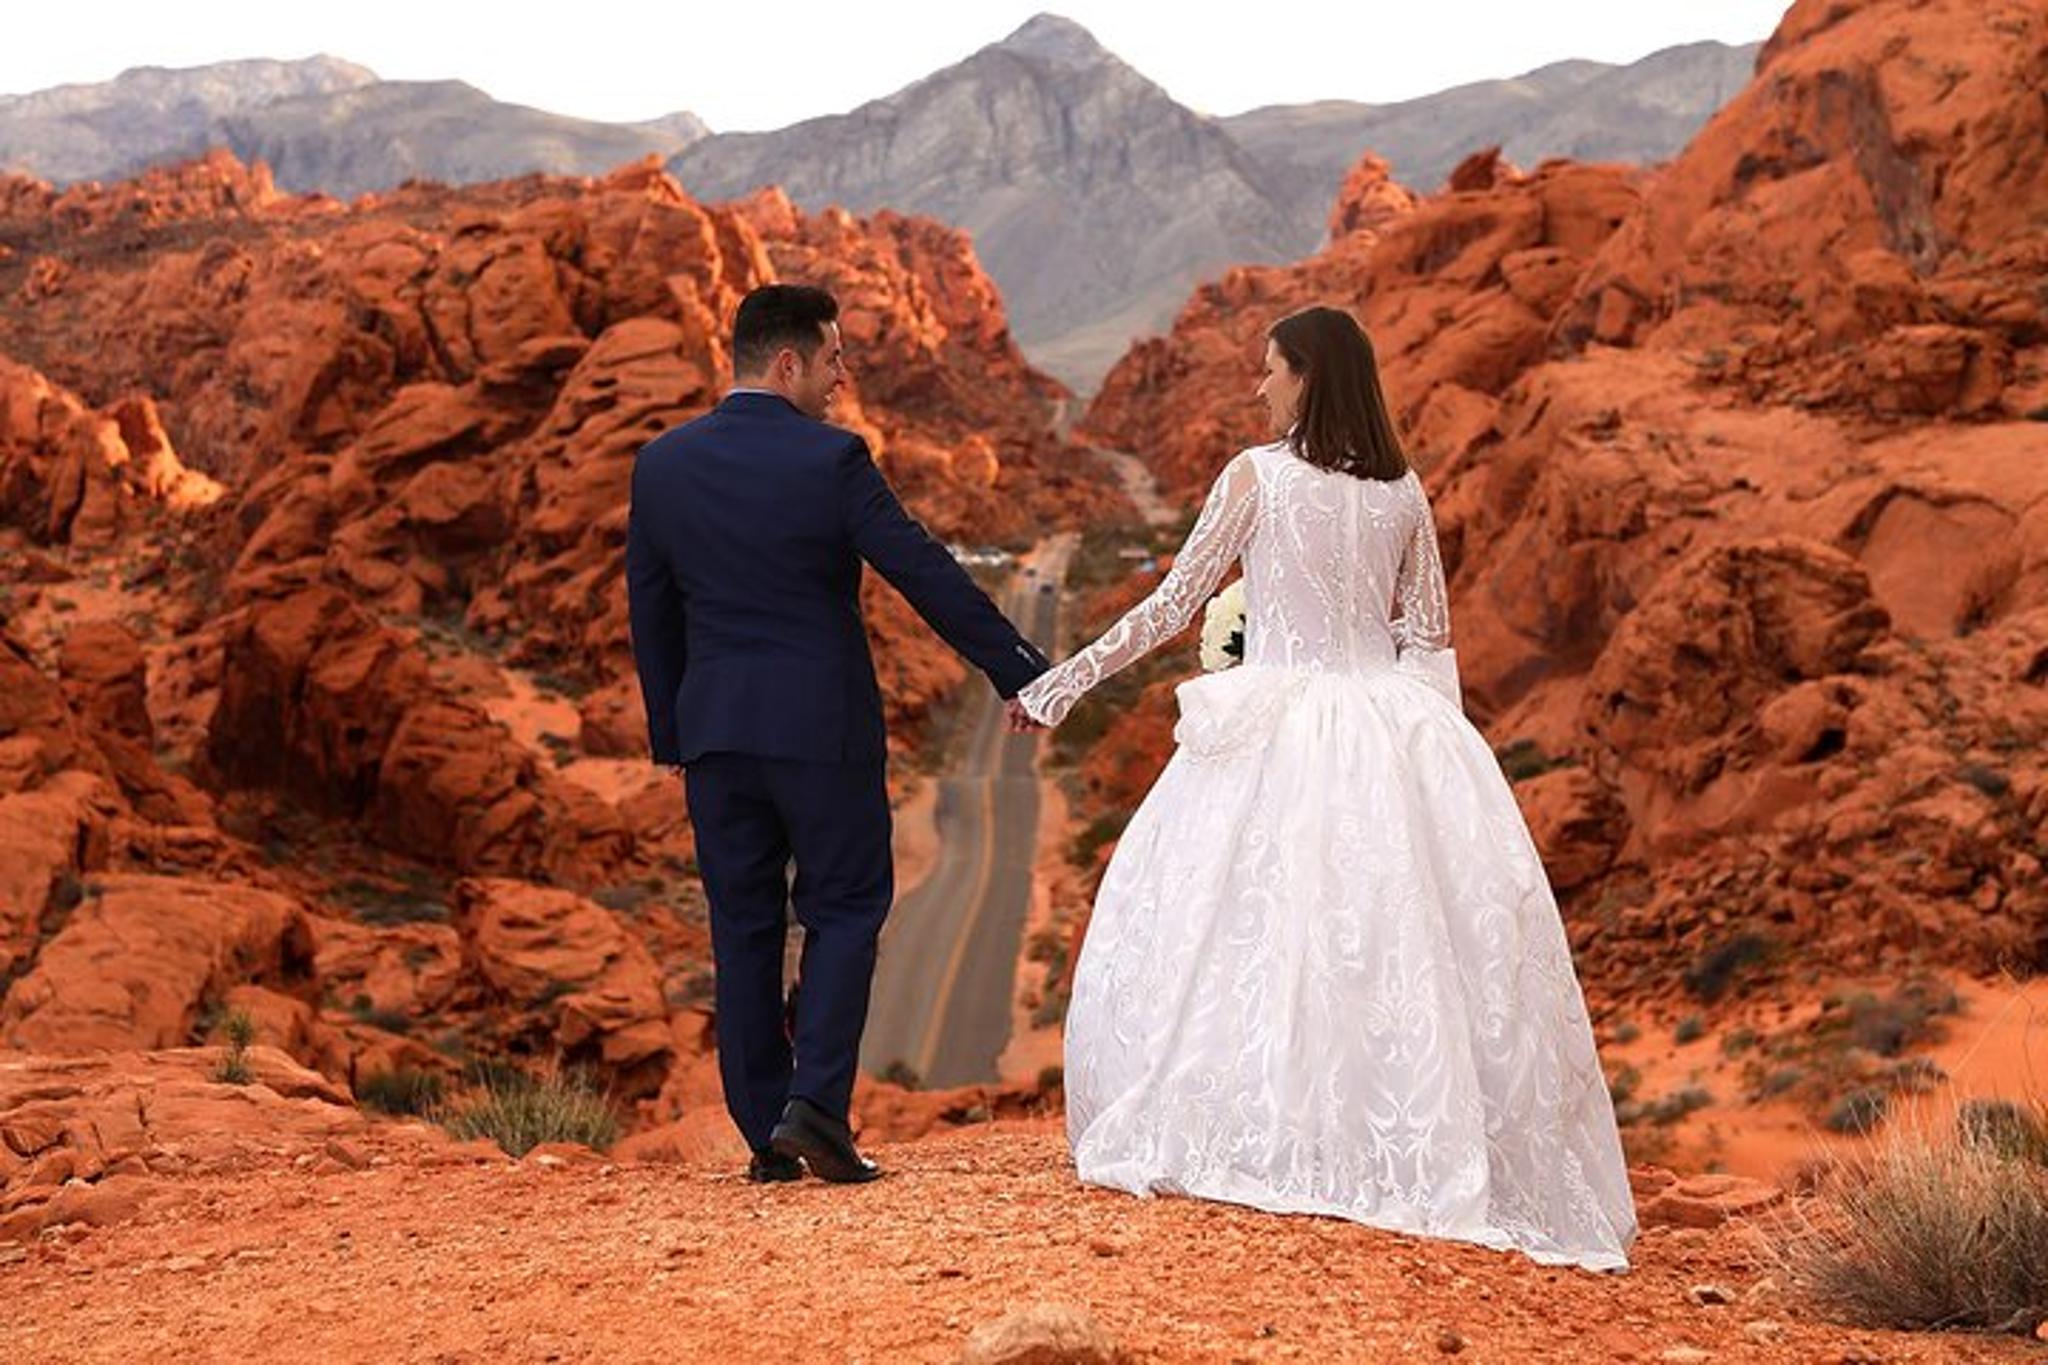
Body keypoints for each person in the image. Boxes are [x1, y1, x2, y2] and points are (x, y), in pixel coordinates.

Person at [1015, 305, 1637, 1271]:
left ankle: (1279, 1128)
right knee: (1389, 940)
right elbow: (1428, 637)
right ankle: (1385, 1134)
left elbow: (1176, 604)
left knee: (1252, 928)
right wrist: (1434, 757)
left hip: (1281, 716)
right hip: (1391, 718)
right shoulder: (1405, 492)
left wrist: (1059, 684)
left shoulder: (1255, 476)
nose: (1259, 388)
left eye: (1270, 370)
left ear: (1307, 375)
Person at [626, 284, 1050, 1183]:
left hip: (715, 735)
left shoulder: (661, 466)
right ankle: (815, 1106)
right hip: (821, 728)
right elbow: (922, 571)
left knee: (740, 925)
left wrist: (674, 732)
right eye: (833, 358)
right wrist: (1020, 666)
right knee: (846, 907)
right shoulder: (831, 461)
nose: (841, 375)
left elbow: (651, 614)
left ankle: (761, 1133)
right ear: (788, 363)